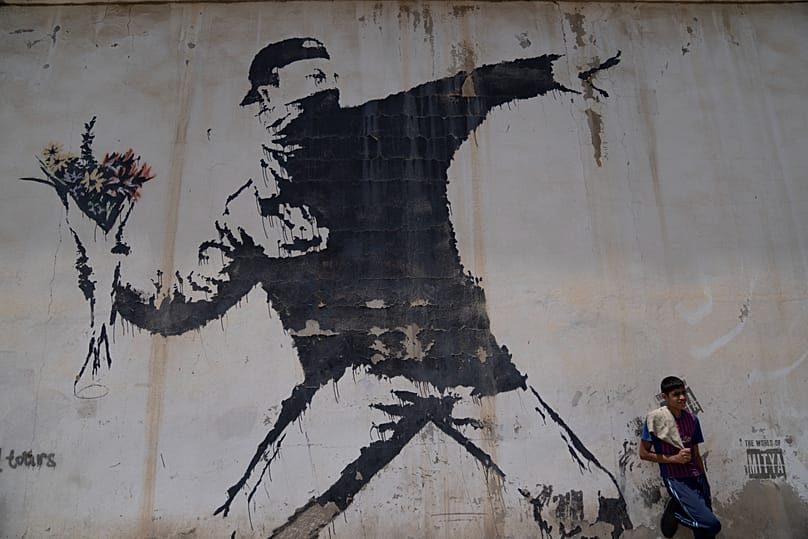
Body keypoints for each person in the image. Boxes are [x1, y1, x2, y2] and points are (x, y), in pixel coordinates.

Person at [27, 37, 630, 536]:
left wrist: (550, 70)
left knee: (594, 507)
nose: (322, 85)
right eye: (313, 77)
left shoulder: (367, 139)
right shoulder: (277, 193)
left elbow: (471, 87)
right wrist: (104, 276)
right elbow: (180, 312)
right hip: (398, 379)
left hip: (427, 375)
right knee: (254, 524)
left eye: (322, 78)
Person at [640, 376, 721, 538]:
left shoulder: (692, 419)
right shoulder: (655, 420)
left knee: (705, 533)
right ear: (664, 397)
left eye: (684, 393)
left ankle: (678, 512)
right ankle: (675, 513)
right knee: (712, 524)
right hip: (676, 479)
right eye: (676, 394)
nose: (682, 398)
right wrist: (673, 459)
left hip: (697, 477)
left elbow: (696, 453)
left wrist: (703, 480)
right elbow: (643, 453)